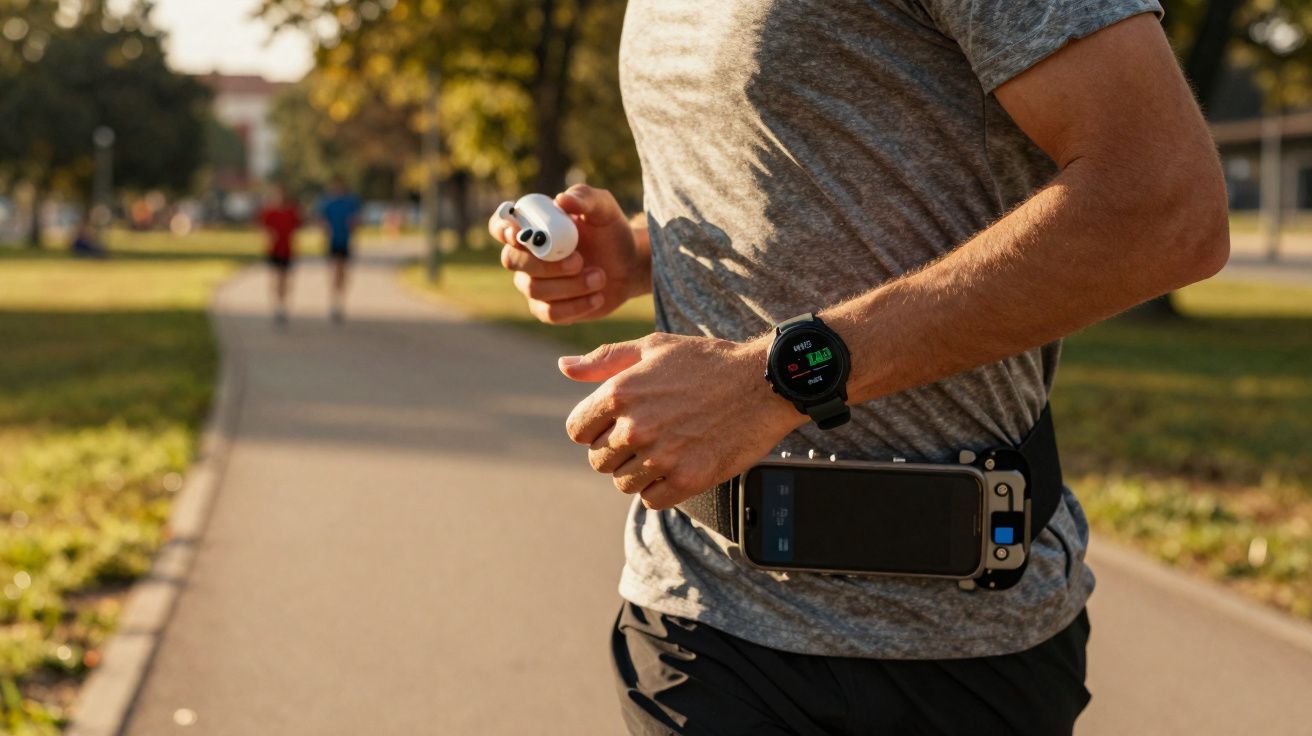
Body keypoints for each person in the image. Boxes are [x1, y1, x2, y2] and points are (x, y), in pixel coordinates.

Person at [491, 3, 1229, 734]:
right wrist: (642, 255)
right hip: (697, 612)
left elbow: (1165, 204)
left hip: (958, 642)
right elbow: (808, 176)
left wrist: (774, 381)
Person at [318, 177, 362, 324]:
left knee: (342, 272)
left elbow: (357, 220)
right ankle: (334, 302)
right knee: (335, 271)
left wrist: (354, 225)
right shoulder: (328, 203)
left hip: (345, 242)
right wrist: (324, 231)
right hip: (333, 242)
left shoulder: (351, 202)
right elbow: (321, 221)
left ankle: (340, 302)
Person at [259, 186, 302, 327]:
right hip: (274, 251)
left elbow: (297, 229)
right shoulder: (269, 212)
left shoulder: (291, 211)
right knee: (275, 278)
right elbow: (263, 230)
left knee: (284, 279)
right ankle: (276, 305)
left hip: (287, 251)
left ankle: (282, 306)